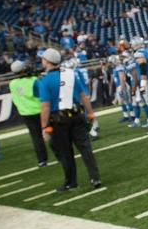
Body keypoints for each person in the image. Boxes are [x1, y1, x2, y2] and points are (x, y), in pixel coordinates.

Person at [37, 47, 101, 192]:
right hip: (77, 115)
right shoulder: (71, 74)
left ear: (47, 61)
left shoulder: (44, 80)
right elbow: (84, 96)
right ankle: (95, 177)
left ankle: (71, 182)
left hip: (58, 121)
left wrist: (44, 127)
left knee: (66, 153)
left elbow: (45, 106)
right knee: (86, 149)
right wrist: (90, 114)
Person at [8, 59, 48, 166]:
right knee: (53, 131)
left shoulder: (12, 84)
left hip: (26, 113)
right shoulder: (33, 80)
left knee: (36, 137)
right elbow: (42, 94)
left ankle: (42, 160)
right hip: (39, 110)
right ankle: (61, 154)